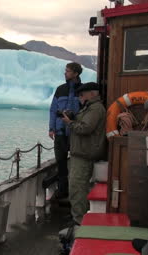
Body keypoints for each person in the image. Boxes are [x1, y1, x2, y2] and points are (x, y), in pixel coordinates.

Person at [61, 82, 106, 225]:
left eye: (82, 94)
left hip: (83, 154)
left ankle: (79, 221)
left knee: (77, 188)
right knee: (80, 188)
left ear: (92, 94)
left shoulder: (95, 109)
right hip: (82, 153)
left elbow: (85, 128)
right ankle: (80, 216)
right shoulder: (90, 108)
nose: (80, 97)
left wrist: (69, 123)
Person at [49, 62, 83, 198]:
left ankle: (75, 193)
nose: (65, 73)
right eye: (65, 71)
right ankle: (63, 192)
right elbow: (52, 109)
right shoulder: (60, 89)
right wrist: (51, 128)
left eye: (68, 71)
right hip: (60, 132)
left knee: (76, 164)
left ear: (75, 73)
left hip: (76, 132)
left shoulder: (82, 90)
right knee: (61, 163)